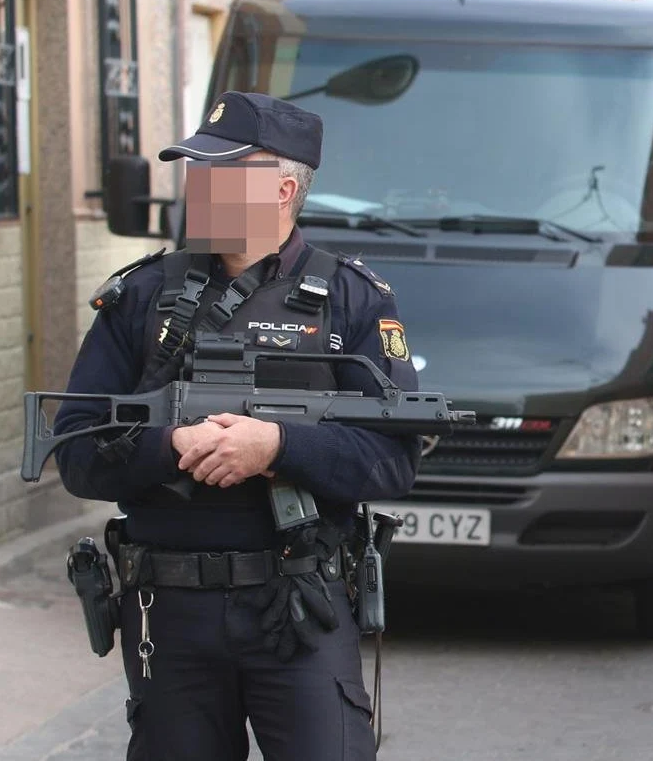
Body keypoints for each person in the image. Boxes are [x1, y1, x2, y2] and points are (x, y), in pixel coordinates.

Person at [53, 91, 420, 760]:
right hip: (170, 611)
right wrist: (173, 447)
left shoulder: (352, 300)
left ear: (284, 188)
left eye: (223, 172)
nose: (201, 187)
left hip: (300, 607)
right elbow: (75, 449)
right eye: (197, 171)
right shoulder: (140, 298)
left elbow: (394, 461)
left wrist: (276, 447)